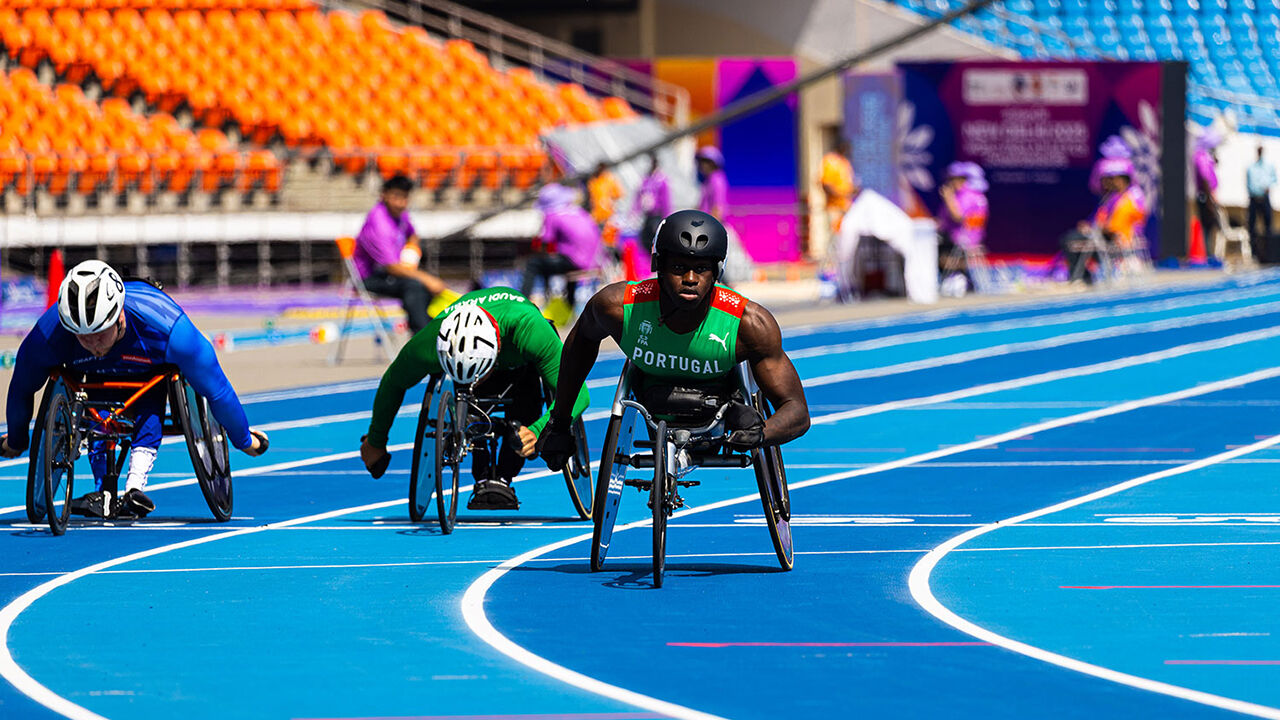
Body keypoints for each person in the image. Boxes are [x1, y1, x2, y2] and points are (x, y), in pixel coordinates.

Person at [536, 209, 810, 474]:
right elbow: (579, 345)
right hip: (650, 391)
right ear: (658, 265)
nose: (690, 279)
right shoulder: (616, 307)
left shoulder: (749, 324)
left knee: (746, 417)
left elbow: (796, 410)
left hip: (720, 395)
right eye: (679, 267)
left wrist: (762, 434)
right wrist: (560, 422)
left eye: (701, 269)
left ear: (717, 272)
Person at [0, 260, 270, 518]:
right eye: (82, 336)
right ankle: (102, 489)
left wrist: (243, 439)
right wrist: (17, 440)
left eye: (100, 333)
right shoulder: (48, 335)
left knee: (153, 388)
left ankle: (135, 485)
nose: (93, 344)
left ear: (118, 317)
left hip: (147, 374)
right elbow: (22, 388)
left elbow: (218, 391)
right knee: (91, 394)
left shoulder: (170, 329)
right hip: (88, 380)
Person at [359, 287, 590, 510]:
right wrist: (376, 441)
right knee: (470, 403)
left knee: (528, 396)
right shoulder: (428, 343)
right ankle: (481, 473)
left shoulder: (529, 331)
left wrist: (538, 430)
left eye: (479, 375)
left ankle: (504, 475)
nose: (476, 381)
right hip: (467, 360)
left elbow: (579, 394)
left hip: (520, 360)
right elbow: (393, 382)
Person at [354, 173, 447, 334]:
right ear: (384, 195)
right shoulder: (379, 224)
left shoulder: (400, 215)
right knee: (416, 285)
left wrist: (410, 255)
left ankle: (431, 333)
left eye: (405, 198)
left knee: (422, 285)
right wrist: (427, 279)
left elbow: (413, 235)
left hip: (392, 271)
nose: (401, 203)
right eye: (396, 197)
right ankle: (422, 339)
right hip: (369, 278)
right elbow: (391, 267)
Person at [1061, 156, 1148, 285]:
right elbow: (1100, 220)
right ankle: (1081, 276)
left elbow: (1115, 228)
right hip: (1104, 237)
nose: (1108, 183)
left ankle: (1080, 277)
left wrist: (1096, 229)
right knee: (1071, 238)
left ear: (1121, 180)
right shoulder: (1112, 198)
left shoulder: (1129, 200)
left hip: (1116, 240)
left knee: (1071, 240)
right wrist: (1090, 227)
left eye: (1112, 179)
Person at [520, 183, 602, 311]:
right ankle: (570, 305)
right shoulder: (580, 212)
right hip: (592, 261)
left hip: (573, 261)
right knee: (556, 264)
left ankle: (522, 301)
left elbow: (546, 241)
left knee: (533, 264)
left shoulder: (552, 215)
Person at [935, 161, 989, 295]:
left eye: (952, 179)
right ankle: (961, 277)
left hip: (959, 240)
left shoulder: (965, 196)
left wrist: (948, 198)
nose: (949, 182)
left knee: (927, 248)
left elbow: (958, 217)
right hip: (973, 240)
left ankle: (953, 278)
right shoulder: (978, 196)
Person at [633, 152, 671, 253]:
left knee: (655, 240)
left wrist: (666, 218)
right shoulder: (646, 179)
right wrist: (634, 212)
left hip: (657, 215)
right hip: (647, 215)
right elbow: (638, 196)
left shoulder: (662, 180)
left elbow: (666, 200)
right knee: (645, 240)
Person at [1194, 128, 1223, 260]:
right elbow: (1205, 179)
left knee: (1211, 227)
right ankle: (1208, 255)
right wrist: (1210, 200)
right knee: (1207, 225)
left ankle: (1209, 253)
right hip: (1205, 197)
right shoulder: (1201, 156)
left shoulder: (1206, 156)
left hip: (1208, 196)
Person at [820, 138, 855, 239]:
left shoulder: (844, 162)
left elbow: (848, 182)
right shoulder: (830, 161)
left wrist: (852, 191)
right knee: (834, 236)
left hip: (846, 206)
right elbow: (826, 185)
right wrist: (840, 194)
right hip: (834, 207)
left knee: (845, 236)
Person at [1247, 144, 1275, 262]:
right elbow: (1249, 184)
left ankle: (1269, 251)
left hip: (1265, 198)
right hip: (1254, 198)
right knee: (1252, 227)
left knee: (1268, 225)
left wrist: (1267, 186)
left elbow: (1273, 179)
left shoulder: (1269, 166)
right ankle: (1254, 252)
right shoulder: (1251, 167)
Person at [696, 146, 729, 218]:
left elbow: (718, 207)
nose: (702, 165)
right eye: (701, 162)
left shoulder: (717, 180)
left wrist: (713, 226)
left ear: (714, 163)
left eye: (706, 162)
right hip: (706, 222)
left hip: (712, 224)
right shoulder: (708, 180)